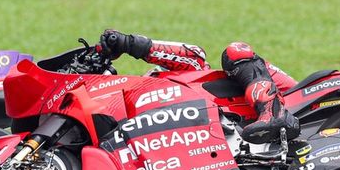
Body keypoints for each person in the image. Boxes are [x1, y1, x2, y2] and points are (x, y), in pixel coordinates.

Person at [96, 30, 300, 143]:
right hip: (240, 132)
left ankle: (273, 112)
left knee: (235, 52)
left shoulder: (185, 73)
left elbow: (195, 55)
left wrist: (129, 44)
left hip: (292, 98)